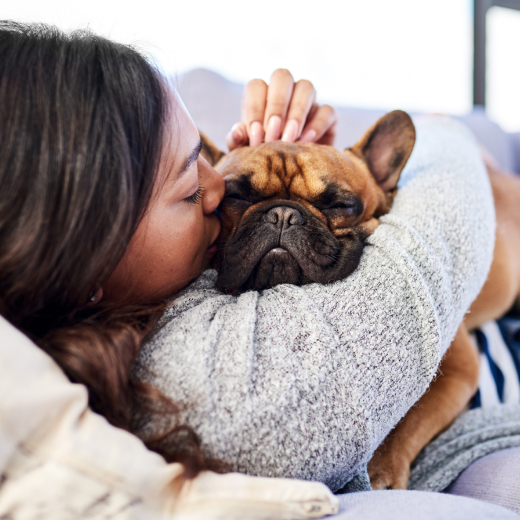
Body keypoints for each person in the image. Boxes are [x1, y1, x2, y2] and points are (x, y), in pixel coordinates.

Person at [1, 20, 518, 519]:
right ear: (92, 243)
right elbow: (442, 174)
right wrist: (446, 140)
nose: (216, 190)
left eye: (217, 172)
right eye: (197, 189)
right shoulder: (231, 380)